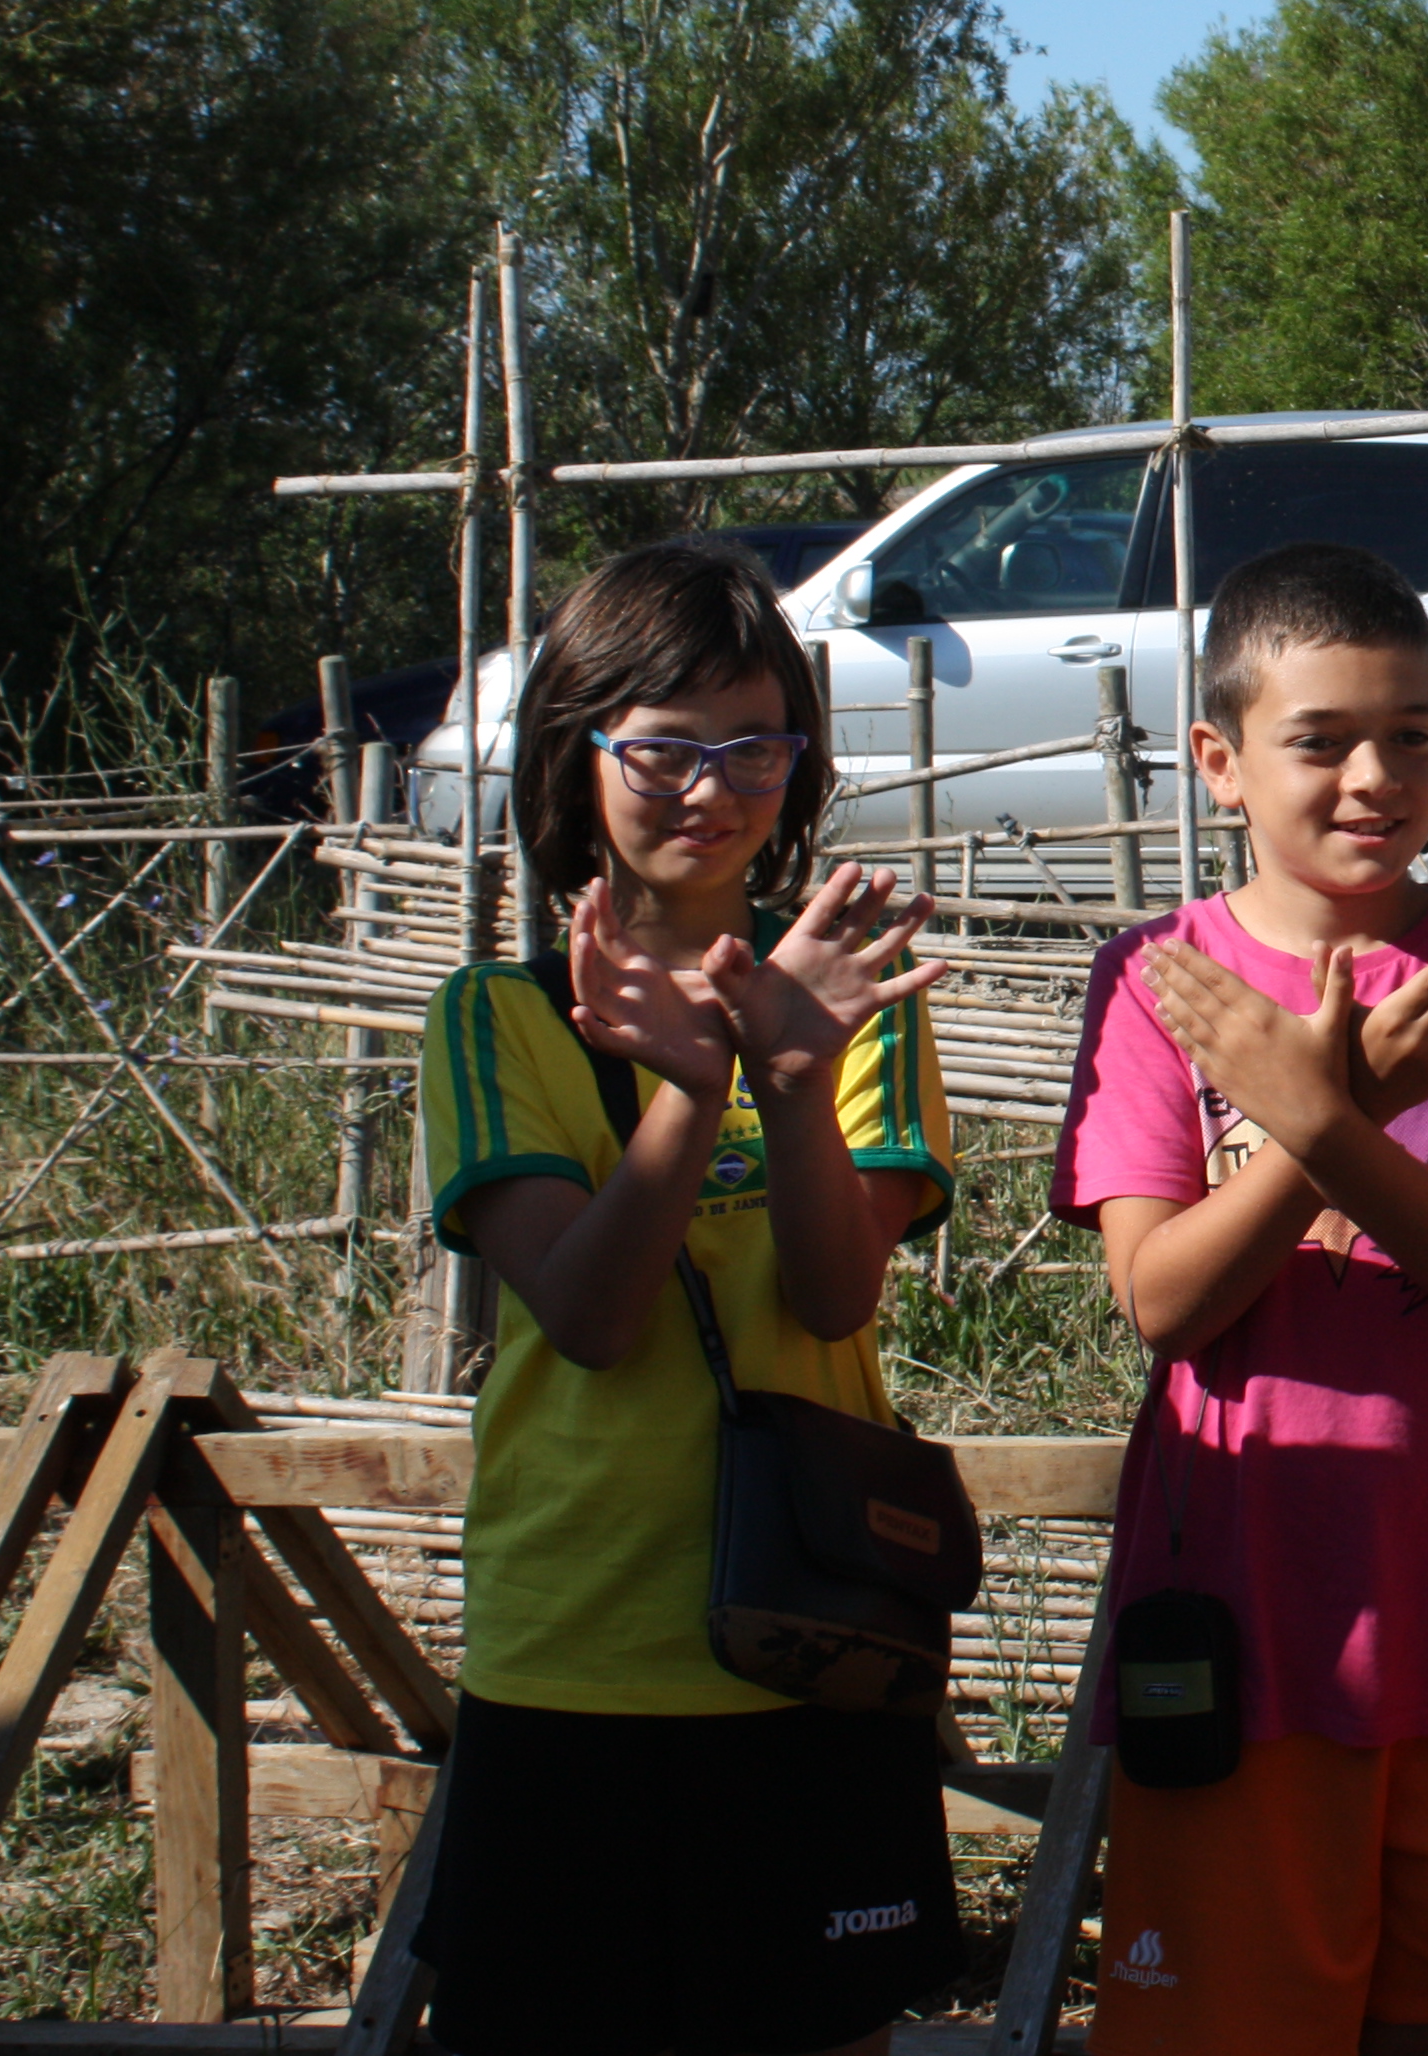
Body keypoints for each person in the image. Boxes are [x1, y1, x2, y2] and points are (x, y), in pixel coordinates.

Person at [1050, 541, 1428, 2056]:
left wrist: (1314, 1117)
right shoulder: (1161, 980)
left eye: (1415, 737)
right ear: (1221, 763)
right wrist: (1351, 1110)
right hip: (1244, 1609)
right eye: (1321, 741)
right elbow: (1166, 1300)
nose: (1376, 776)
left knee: (1422, 2028)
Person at [418, 537, 966, 2056]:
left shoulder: (851, 1007)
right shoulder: (499, 1019)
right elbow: (588, 1320)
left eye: (755, 744)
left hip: (811, 1637)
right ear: (574, 755)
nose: (711, 787)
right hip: (576, 1646)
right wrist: (688, 1092)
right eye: (664, 747)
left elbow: (836, 1295)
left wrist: (789, 1077)